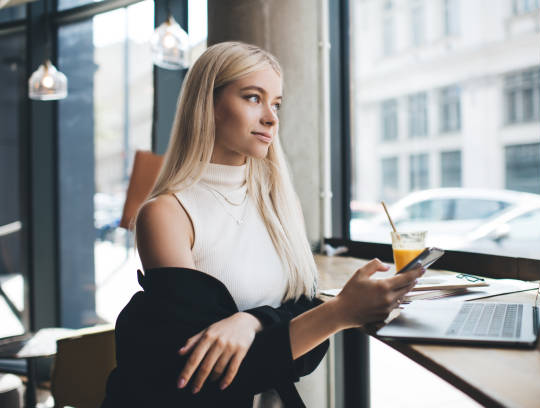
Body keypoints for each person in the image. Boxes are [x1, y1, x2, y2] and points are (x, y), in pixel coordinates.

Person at [101, 41, 423, 408]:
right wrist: (338, 313)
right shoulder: (166, 214)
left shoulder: (280, 206)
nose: (272, 117)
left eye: (277, 104)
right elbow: (210, 373)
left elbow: (307, 337)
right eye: (253, 98)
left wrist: (250, 322)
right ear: (208, 104)